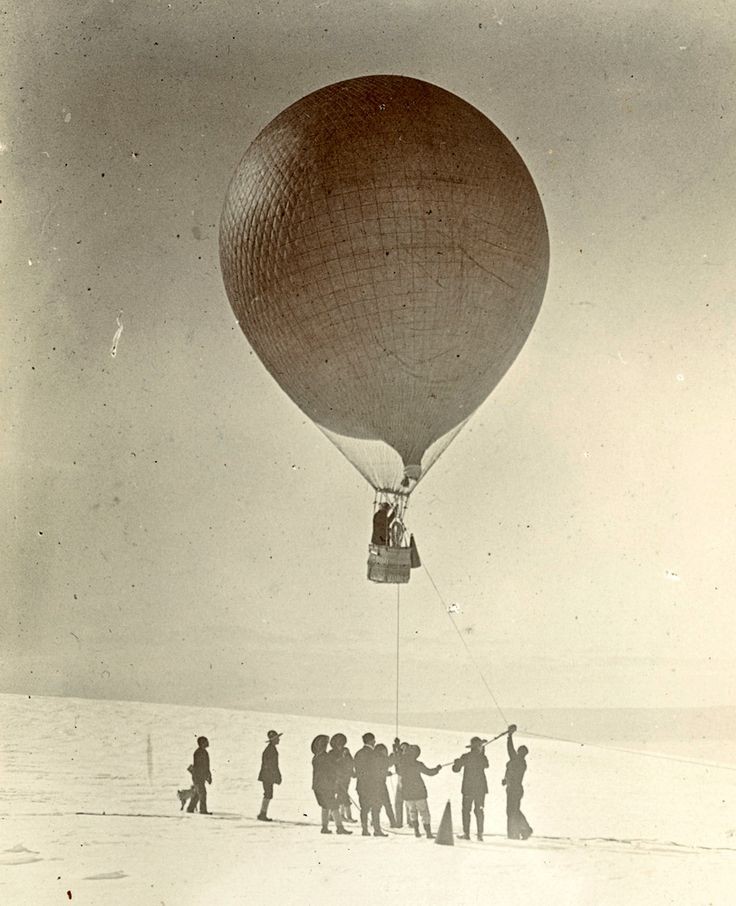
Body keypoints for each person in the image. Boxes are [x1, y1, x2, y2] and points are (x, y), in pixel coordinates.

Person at [396, 744, 441, 838]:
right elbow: (430, 772)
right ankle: (428, 833)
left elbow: (398, 771)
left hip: (407, 793)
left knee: (412, 812)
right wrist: (437, 769)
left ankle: (416, 831)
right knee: (424, 813)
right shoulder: (418, 764)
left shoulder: (402, 764)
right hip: (419, 792)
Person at [311, 734, 351, 835]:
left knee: (325, 806)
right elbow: (334, 767)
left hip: (317, 786)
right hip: (326, 786)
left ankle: (324, 828)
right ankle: (339, 828)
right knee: (334, 806)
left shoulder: (316, 757)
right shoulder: (326, 757)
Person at [452, 736, 489, 840]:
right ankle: (480, 834)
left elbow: (455, 769)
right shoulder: (482, 757)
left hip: (468, 788)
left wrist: (457, 762)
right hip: (480, 788)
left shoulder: (465, 757)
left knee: (466, 811)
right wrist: (482, 749)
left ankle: (466, 834)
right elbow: (486, 765)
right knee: (479, 811)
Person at [503, 724, 533, 840]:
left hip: (514, 789)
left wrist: (509, 736)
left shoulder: (517, 761)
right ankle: (520, 831)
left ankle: (518, 832)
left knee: (512, 811)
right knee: (513, 811)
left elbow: (510, 749)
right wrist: (506, 780)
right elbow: (510, 772)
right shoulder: (519, 761)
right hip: (515, 788)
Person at [353, 732, 386, 836]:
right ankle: (377, 830)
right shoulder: (374, 754)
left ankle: (365, 830)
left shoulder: (358, 753)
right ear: (372, 741)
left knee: (364, 809)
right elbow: (379, 768)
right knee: (375, 808)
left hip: (361, 785)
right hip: (374, 786)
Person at [329, 733, 357, 823]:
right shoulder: (331, 753)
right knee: (341, 796)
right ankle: (339, 815)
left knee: (343, 796)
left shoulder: (346, 751)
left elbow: (351, 762)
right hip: (336, 778)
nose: (340, 745)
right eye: (338, 743)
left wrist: (352, 773)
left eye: (341, 743)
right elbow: (331, 765)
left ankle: (339, 815)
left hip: (346, 778)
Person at [257, 729, 282, 821]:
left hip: (267, 775)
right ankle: (262, 814)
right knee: (268, 794)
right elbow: (272, 765)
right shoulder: (271, 750)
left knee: (268, 794)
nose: (279, 740)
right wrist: (276, 776)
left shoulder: (270, 749)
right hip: (267, 776)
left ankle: (262, 813)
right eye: (277, 738)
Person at [374, 743, 397, 827]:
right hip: (381, 785)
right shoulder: (382, 759)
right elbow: (390, 762)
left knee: (377, 805)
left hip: (374, 785)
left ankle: (374, 821)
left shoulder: (374, 759)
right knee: (387, 804)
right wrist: (395, 750)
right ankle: (393, 822)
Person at [187, 735, 212, 814]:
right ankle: (203, 810)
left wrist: (208, 775)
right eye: (206, 741)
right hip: (198, 776)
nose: (208, 743)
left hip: (200, 776)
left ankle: (190, 808)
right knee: (202, 793)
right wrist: (205, 775)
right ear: (202, 743)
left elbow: (206, 766)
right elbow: (199, 766)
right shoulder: (198, 753)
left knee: (198, 793)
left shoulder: (204, 752)